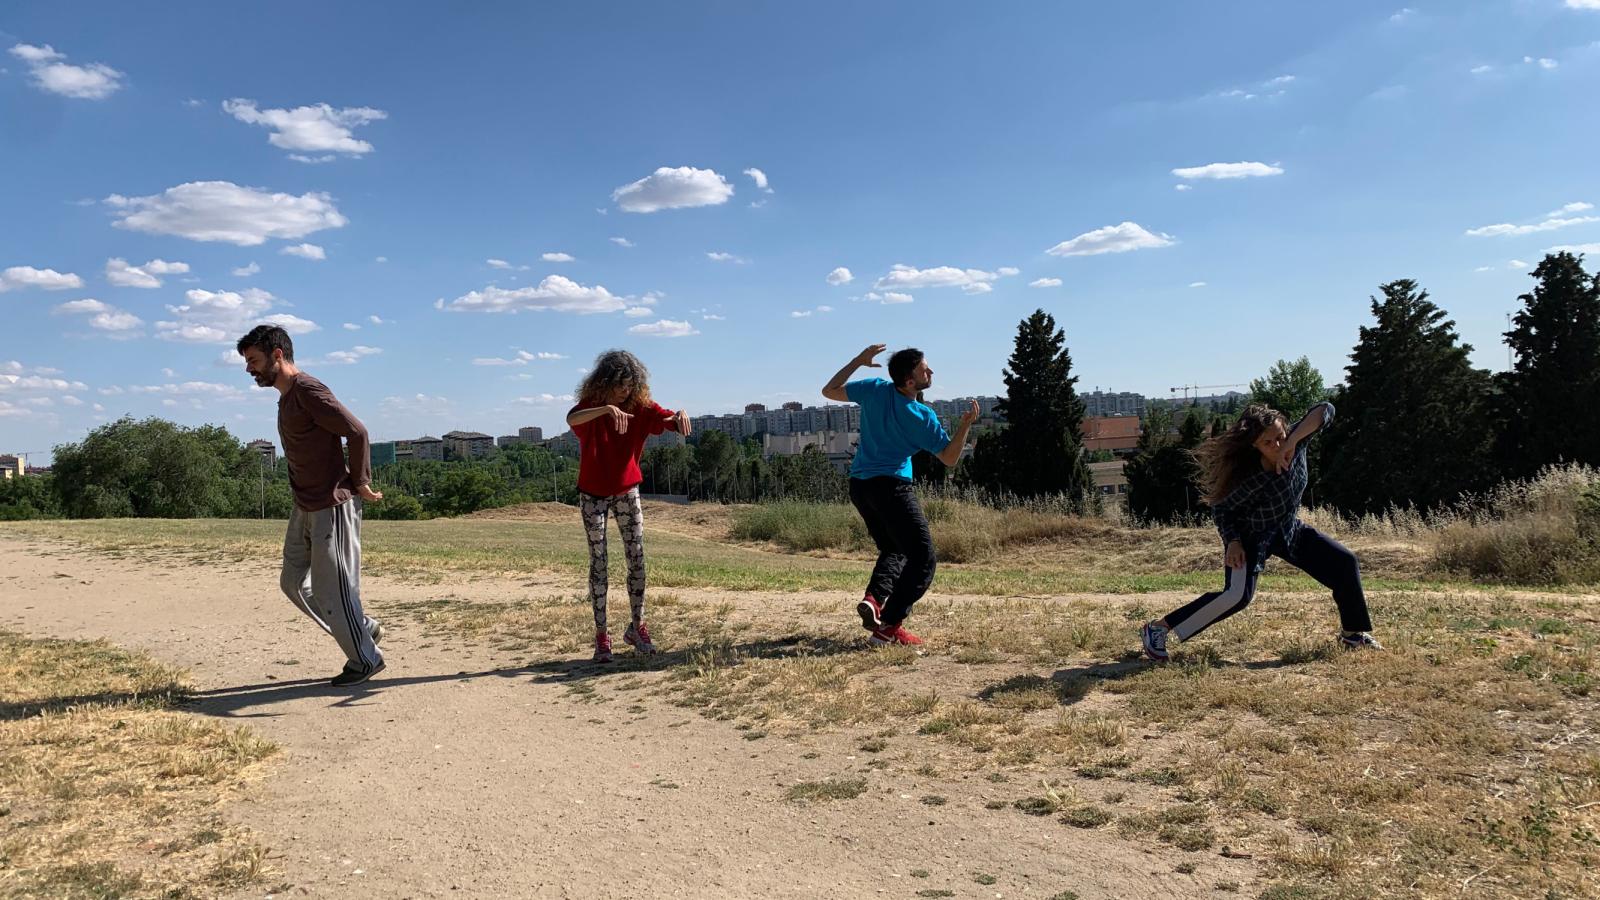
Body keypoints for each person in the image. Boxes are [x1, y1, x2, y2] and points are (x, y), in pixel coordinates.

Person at [1140, 401, 1381, 661]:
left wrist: (1292, 441)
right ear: (1255, 446)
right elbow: (1223, 511)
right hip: (1250, 538)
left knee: (1344, 563)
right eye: (1268, 443)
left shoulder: (1295, 443)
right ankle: (1158, 628)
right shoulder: (1247, 477)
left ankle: (1352, 635)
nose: (1278, 445)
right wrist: (1232, 542)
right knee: (1236, 597)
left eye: (1280, 437)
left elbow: (1326, 410)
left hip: (1289, 530)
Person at [236, 325, 386, 686]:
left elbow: (357, 431)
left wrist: (360, 481)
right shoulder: (287, 396)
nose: (249, 370)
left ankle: (365, 660)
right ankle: (362, 629)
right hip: (304, 505)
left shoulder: (308, 390)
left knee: (331, 589)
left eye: (253, 361)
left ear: (277, 355)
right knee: (292, 583)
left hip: (331, 505)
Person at [821, 344, 977, 648]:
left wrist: (858, 361)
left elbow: (830, 390)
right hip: (892, 487)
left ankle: (875, 600)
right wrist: (965, 426)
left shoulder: (875, 389)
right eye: (924, 370)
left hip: (860, 486)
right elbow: (949, 458)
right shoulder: (921, 415)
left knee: (894, 549)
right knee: (923, 559)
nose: (930, 372)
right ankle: (889, 627)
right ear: (909, 381)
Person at [566, 350, 690, 663]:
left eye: (630, 384)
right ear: (603, 383)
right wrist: (605, 410)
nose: (625, 391)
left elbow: (666, 419)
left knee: (637, 557)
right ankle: (601, 635)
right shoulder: (592, 409)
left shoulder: (639, 407)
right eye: (620, 384)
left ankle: (637, 627)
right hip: (592, 494)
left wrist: (679, 418)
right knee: (600, 562)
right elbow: (572, 418)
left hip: (627, 491)